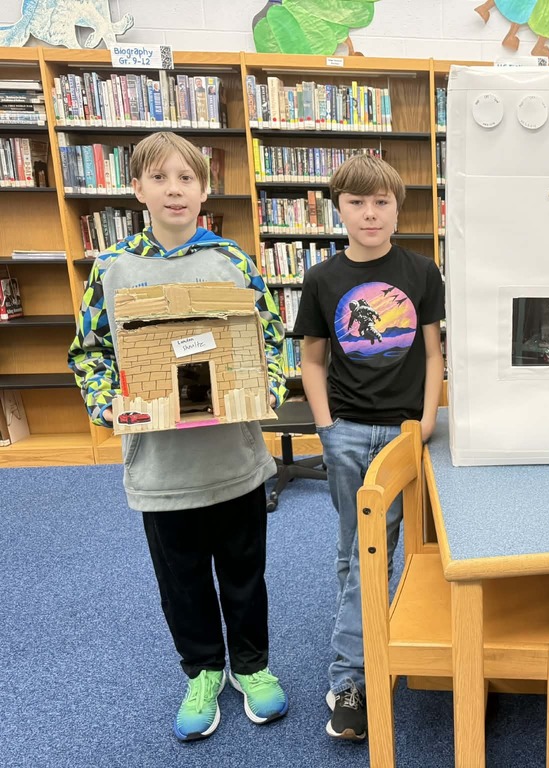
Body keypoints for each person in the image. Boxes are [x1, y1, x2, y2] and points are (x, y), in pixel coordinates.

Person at [68, 131, 289, 742]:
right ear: (135, 187)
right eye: (159, 178)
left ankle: (252, 664)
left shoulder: (232, 261)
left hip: (234, 458)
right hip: (161, 468)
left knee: (245, 571)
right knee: (182, 579)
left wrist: (264, 385)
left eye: (186, 178)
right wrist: (107, 405)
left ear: (204, 189)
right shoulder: (112, 269)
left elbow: (269, 339)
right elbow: (89, 353)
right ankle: (203, 669)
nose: (174, 189)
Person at [291, 154, 445, 741]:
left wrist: (426, 421)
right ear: (339, 209)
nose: (369, 212)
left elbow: (433, 355)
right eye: (357, 202)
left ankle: (348, 675)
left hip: (405, 433)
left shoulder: (423, 272)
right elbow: (311, 360)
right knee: (357, 550)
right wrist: (327, 430)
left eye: (381, 201)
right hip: (347, 432)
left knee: (369, 552)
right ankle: (362, 634)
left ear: (397, 208)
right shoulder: (323, 279)